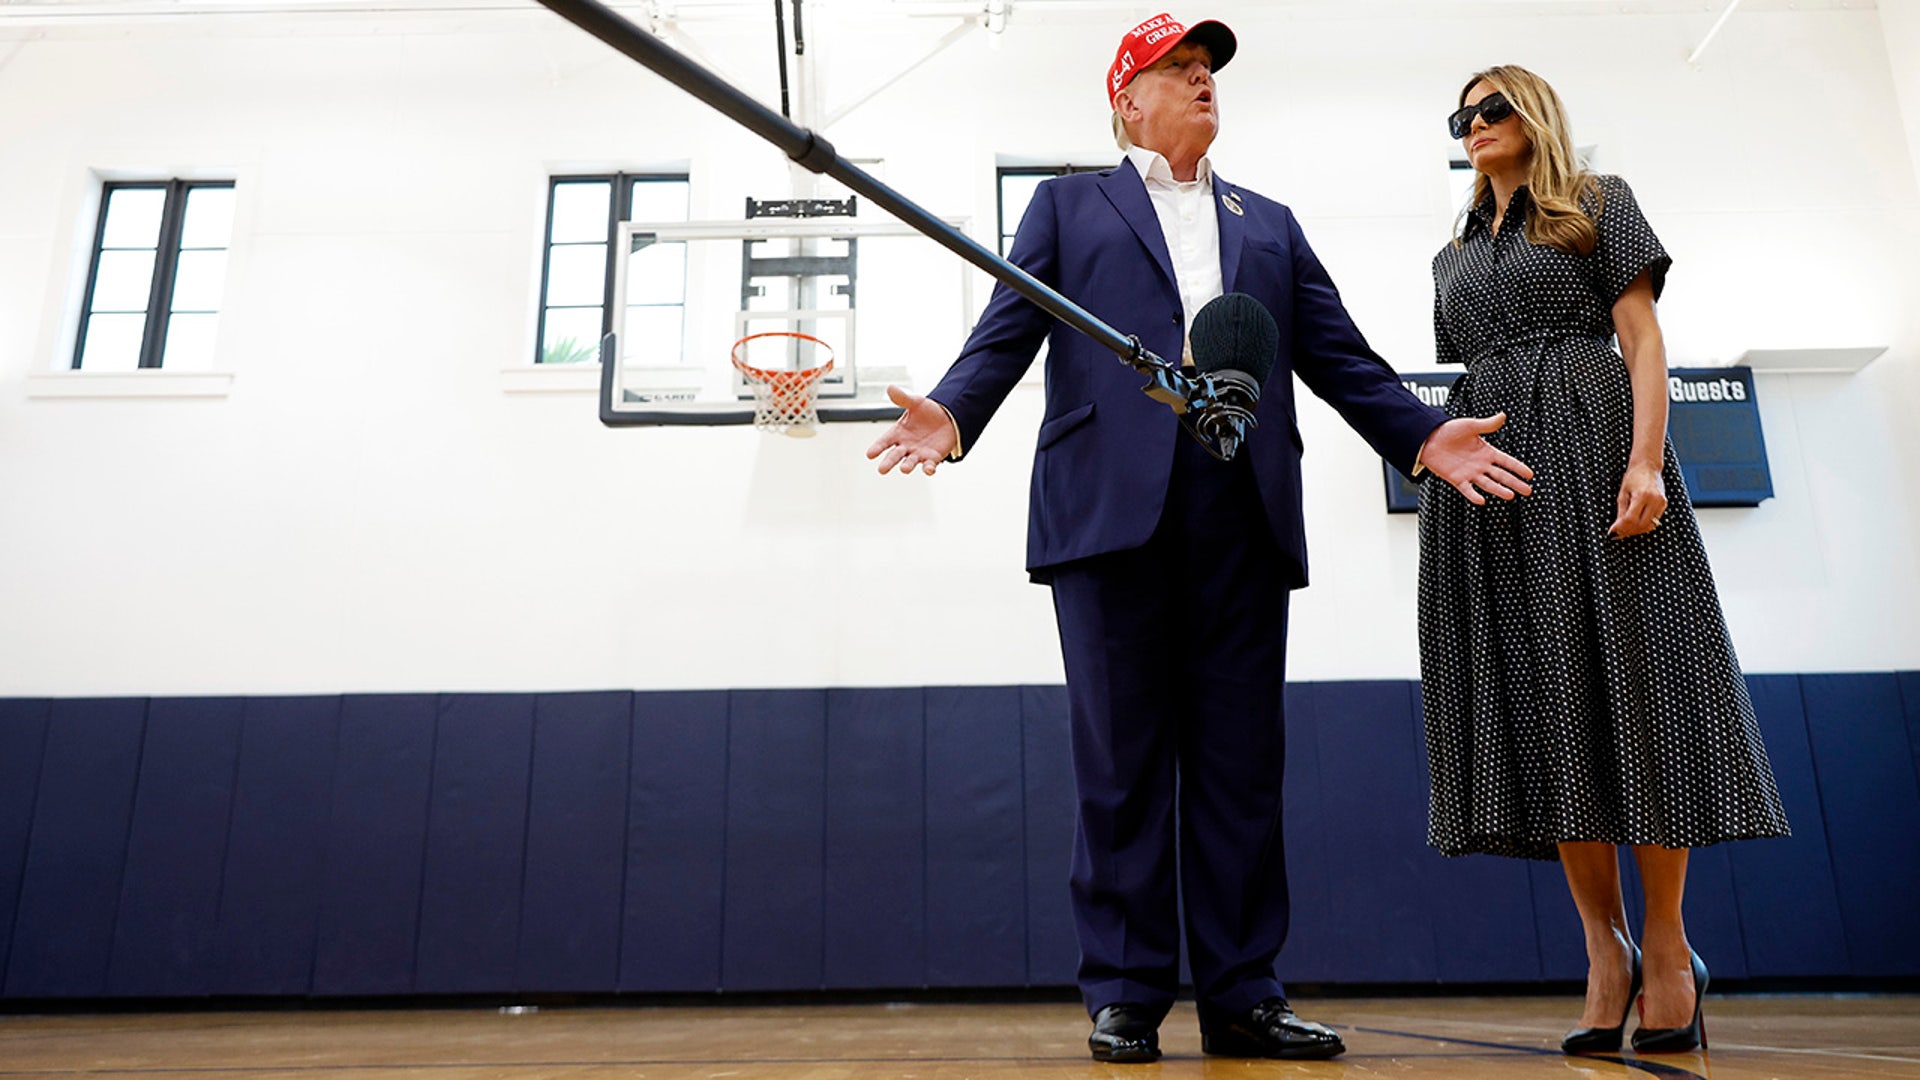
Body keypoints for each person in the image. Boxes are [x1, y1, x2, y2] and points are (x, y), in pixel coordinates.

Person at [867, 13, 1532, 1063]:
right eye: (1177, 69)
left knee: (1239, 765)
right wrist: (953, 413)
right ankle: (1125, 991)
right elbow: (1009, 324)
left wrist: (1418, 435)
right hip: (1105, 512)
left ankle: (1242, 995)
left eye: (1208, 69)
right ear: (1126, 98)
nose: (1202, 82)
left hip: (1241, 506)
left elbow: (1341, 356)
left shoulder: (1267, 221)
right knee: (1122, 763)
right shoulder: (1067, 203)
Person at [1418, 65, 1791, 1056]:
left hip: (1595, 451)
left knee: (1643, 690)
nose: (1475, 124)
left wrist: (1645, 462)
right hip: (1499, 482)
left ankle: (1668, 949)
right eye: (1462, 115)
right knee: (1550, 709)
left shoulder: (1596, 203)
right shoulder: (1451, 254)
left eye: (1493, 106)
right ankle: (1605, 952)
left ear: (1533, 114)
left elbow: (1642, 338)